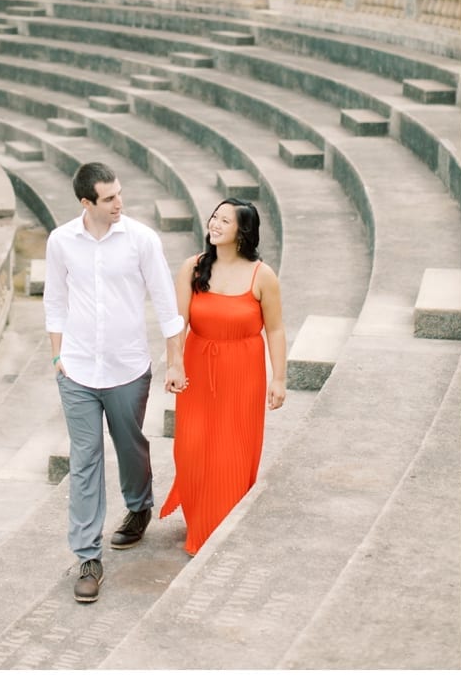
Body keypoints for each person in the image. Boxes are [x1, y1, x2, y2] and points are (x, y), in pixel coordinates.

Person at [44, 161, 186, 604]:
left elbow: (166, 304)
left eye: (119, 193)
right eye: (109, 198)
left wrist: (175, 361)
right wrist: (57, 355)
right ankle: (88, 555)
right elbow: (55, 300)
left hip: (127, 368)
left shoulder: (141, 239)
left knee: (129, 445)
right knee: (84, 459)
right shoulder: (61, 241)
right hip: (78, 370)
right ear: (87, 203)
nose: (119, 202)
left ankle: (139, 505)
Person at [160, 198, 287, 556]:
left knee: (232, 449)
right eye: (214, 217)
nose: (214, 224)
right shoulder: (193, 267)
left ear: (242, 232)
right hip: (198, 369)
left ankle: (219, 527)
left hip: (243, 373)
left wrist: (280, 378)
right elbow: (178, 323)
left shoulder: (262, 275)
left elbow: (275, 330)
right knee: (192, 446)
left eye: (224, 220)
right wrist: (175, 364)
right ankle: (199, 517)